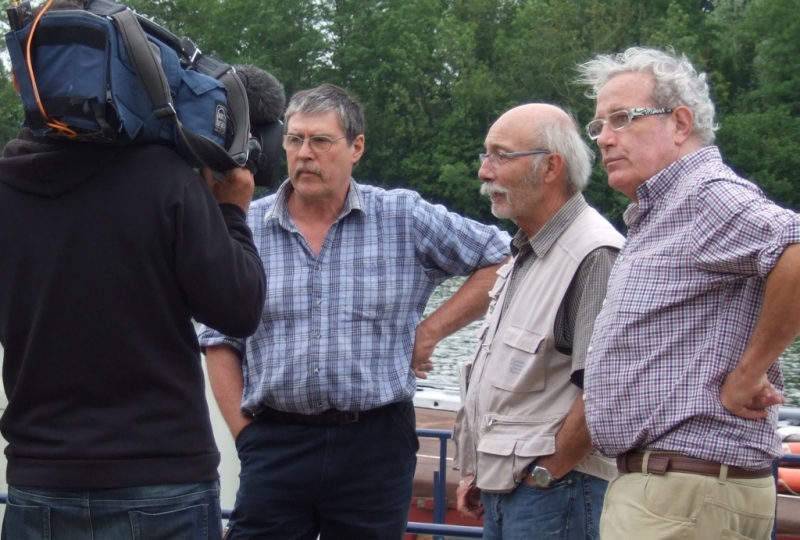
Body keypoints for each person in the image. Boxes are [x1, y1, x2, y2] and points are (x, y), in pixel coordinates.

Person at [199, 83, 510, 540]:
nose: (305, 153)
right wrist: (244, 436)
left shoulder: (403, 217)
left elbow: (502, 257)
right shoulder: (244, 227)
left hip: (376, 444)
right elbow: (217, 338)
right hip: (275, 440)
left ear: (356, 147)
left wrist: (431, 331)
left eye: (321, 141)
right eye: (294, 139)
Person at [0, 114, 266, 540]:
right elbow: (239, 308)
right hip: (162, 475)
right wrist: (231, 213)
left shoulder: (6, 190)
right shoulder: (166, 179)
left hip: (40, 477)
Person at [577, 46, 800, 539]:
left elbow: (797, 247)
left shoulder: (702, 194)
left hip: (683, 490)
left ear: (680, 123)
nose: (605, 139)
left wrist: (751, 370)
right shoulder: (667, 209)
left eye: (622, 119)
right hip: (682, 490)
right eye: (598, 126)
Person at [451, 103, 624, 540]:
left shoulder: (593, 254)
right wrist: (483, 471)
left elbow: (604, 393)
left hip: (557, 492)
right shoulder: (527, 252)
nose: (484, 171)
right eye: (484, 155)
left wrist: (547, 473)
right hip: (516, 489)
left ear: (551, 167)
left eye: (500, 155)